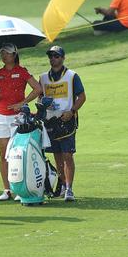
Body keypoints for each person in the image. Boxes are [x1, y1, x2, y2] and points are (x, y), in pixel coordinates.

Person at [0, 44, 42, 201]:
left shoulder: (22, 72)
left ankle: (19, 188)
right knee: (3, 153)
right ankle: (7, 190)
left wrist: (23, 103)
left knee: (17, 153)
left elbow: (37, 88)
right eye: (2, 53)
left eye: (7, 53)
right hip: (1, 117)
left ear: (14, 55)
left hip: (17, 117)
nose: (4, 56)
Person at [40, 46, 85, 202]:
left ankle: (69, 188)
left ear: (63, 58)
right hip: (50, 121)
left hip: (67, 120)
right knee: (57, 156)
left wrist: (72, 111)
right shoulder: (43, 78)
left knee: (67, 155)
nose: (53, 58)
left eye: (56, 56)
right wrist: (44, 105)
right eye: (51, 56)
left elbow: (82, 97)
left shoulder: (72, 76)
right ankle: (63, 185)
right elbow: (40, 98)